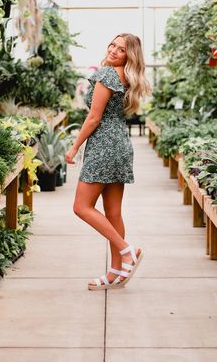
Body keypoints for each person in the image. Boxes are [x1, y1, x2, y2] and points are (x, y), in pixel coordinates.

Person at [65, 33, 151, 290]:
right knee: (113, 212)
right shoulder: (125, 76)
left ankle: (127, 251)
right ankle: (116, 271)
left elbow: (93, 118)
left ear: (129, 56)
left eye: (121, 49)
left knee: (81, 206)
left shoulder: (107, 75)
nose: (113, 50)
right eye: (112, 44)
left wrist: (74, 147)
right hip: (120, 144)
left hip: (103, 144)